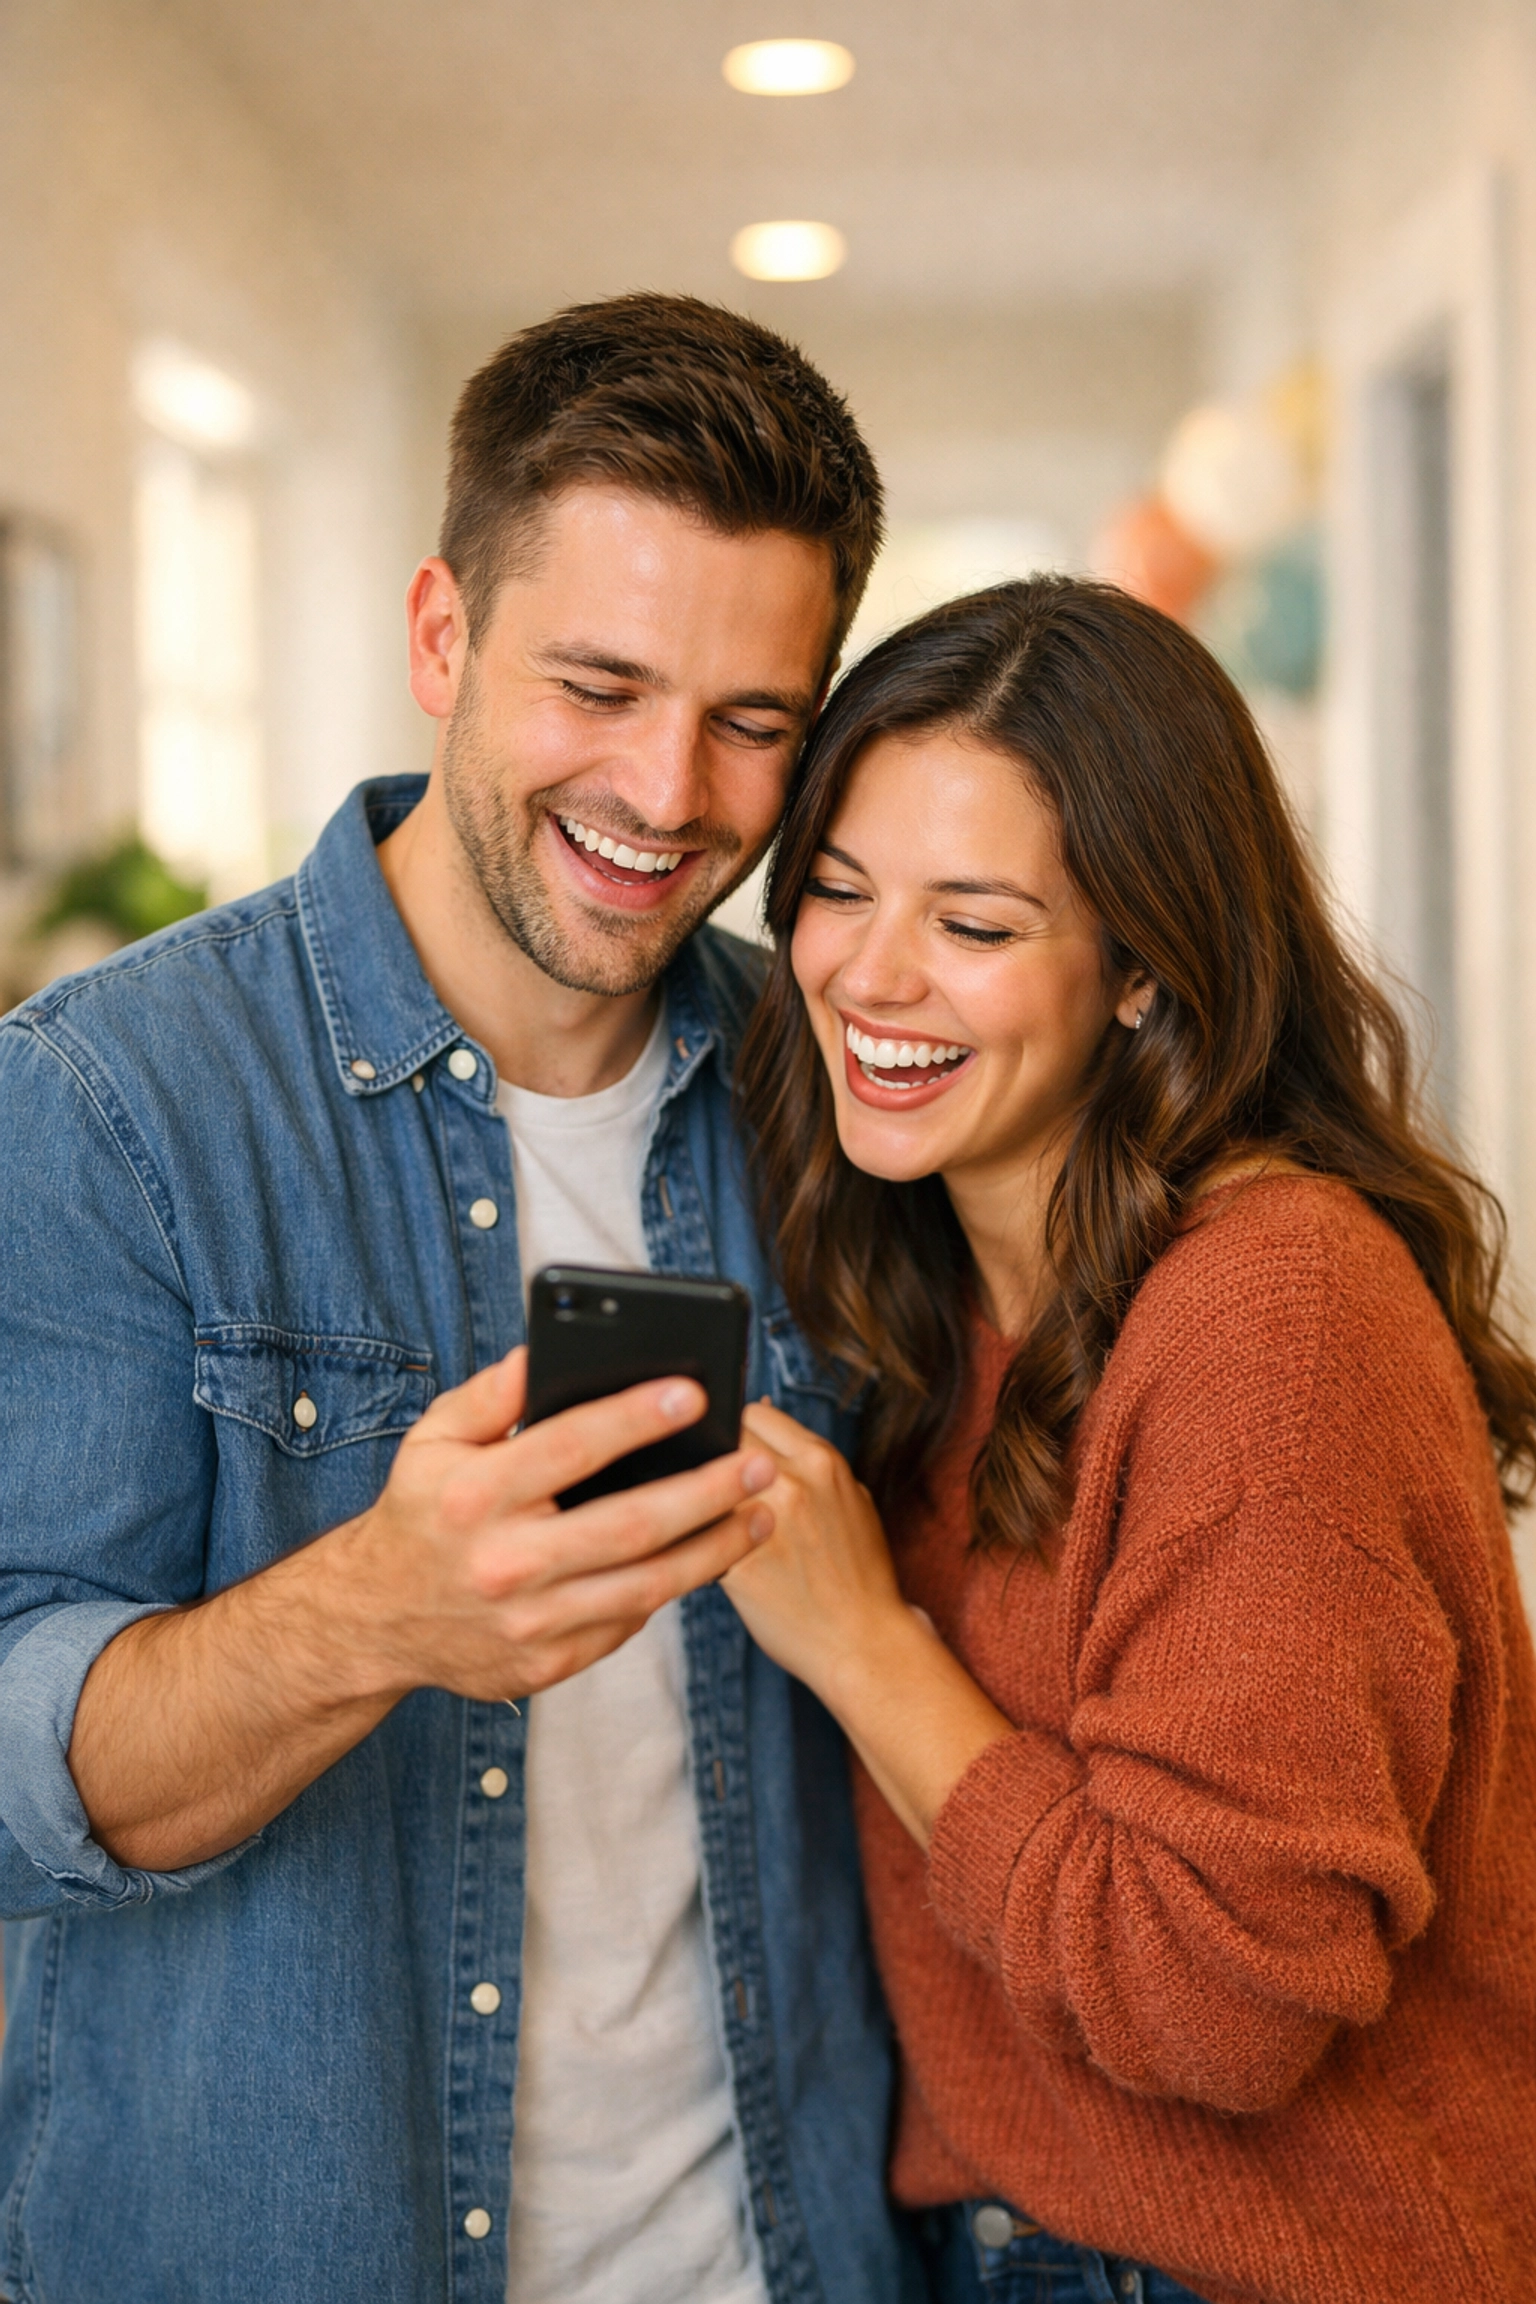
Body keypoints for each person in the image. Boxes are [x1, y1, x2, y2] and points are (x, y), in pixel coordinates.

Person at [0, 293, 926, 2304]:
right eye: (598, 684)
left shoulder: (836, 1100)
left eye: (752, 721)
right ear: (442, 637)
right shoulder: (109, 1102)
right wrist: (374, 1613)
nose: (667, 791)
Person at [723, 576, 1536, 2304]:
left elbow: (1219, 2002)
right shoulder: (945, 1289)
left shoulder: (1270, 1311)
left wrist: (865, 1647)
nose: (871, 971)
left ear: (1145, 970)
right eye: (839, 890)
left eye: (976, 922)